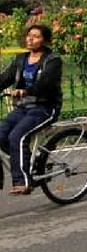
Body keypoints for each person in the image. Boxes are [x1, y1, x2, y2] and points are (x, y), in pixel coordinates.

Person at [0, 25, 62, 195]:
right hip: (23, 107)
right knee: (1, 135)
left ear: (45, 40)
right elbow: (5, 79)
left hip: (45, 108)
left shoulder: (53, 60)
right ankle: (26, 161)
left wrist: (25, 91)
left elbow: (46, 84)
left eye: (35, 36)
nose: (30, 39)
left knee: (16, 136)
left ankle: (23, 181)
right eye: (29, 36)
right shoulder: (21, 59)